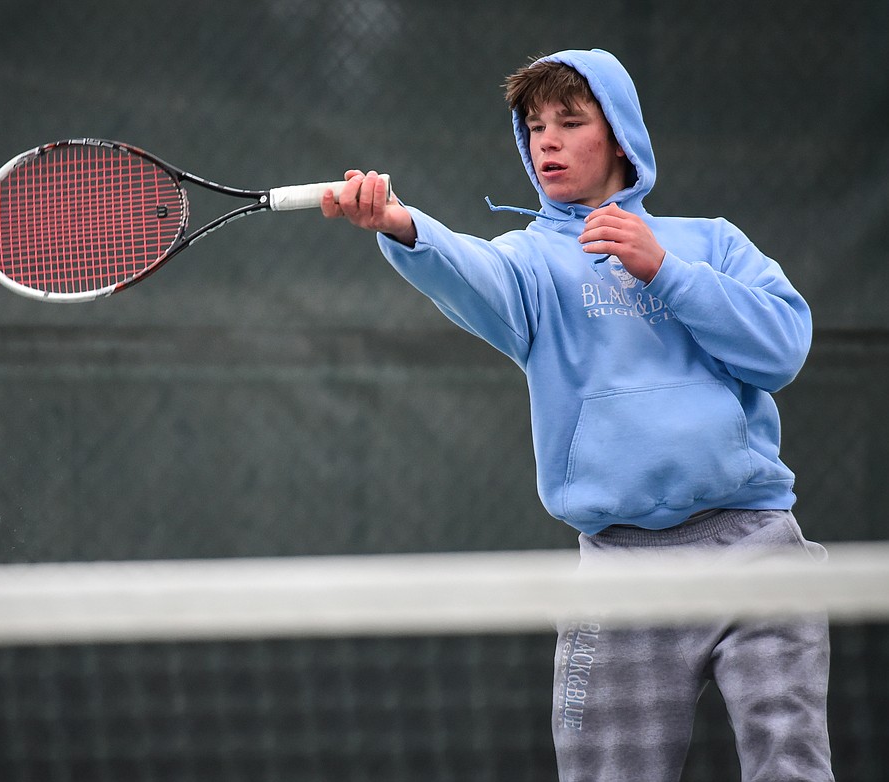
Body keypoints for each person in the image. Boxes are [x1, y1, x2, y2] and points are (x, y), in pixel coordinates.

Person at [321, 48, 832, 781]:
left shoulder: (710, 242)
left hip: (759, 549)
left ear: (619, 136)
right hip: (620, 570)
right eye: (534, 128)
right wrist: (403, 226)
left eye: (570, 121)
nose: (548, 142)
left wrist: (665, 269)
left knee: (794, 769)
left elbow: (782, 348)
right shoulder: (530, 263)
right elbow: (471, 269)